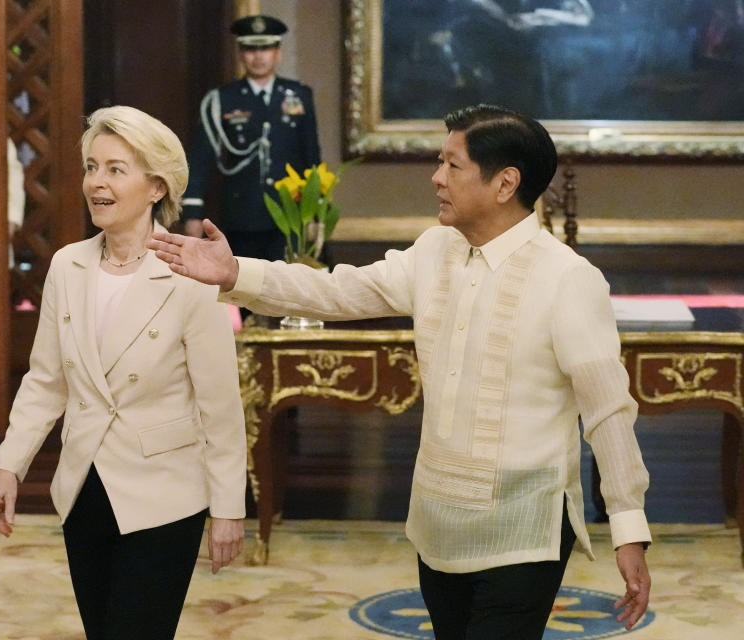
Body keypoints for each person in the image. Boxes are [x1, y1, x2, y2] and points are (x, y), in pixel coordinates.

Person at [149, 104, 652, 639]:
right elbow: (338, 290)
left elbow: (608, 413)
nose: (436, 177)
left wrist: (628, 530)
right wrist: (235, 273)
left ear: (505, 183)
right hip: (436, 522)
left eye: (452, 166)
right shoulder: (434, 250)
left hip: (523, 530)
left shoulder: (569, 279)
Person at [0, 105, 247, 639]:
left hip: (164, 495)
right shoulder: (66, 265)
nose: (96, 183)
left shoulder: (189, 276)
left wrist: (228, 508)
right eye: (91, 167)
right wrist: (9, 465)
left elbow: (220, 406)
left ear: (156, 187)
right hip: (84, 489)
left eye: (115, 169)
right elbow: (46, 380)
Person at [181, 13, 321, 261]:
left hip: (289, 215)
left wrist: (317, 212)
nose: (258, 56)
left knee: (286, 292)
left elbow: (311, 156)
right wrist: (192, 212)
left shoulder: (299, 95)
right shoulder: (223, 99)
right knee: (242, 291)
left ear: (278, 53)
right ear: (240, 54)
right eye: (250, 49)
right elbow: (200, 158)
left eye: (266, 48)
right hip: (241, 216)